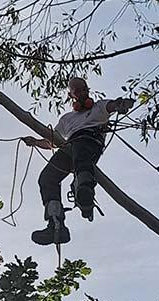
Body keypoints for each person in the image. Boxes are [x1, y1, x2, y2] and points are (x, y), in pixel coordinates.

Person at [22, 77, 134, 246]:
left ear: (88, 89)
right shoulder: (67, 119)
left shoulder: (99, 107)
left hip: (89, 142)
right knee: (47, 178)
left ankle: (84, 189)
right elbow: (52, 141)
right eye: (77, 91)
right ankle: (56, 224)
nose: (82, 93)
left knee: (80, 149)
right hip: (69, 148)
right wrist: (36, 142)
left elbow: (112, 106)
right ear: (71, 95)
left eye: (84, 89)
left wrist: (121, 104)